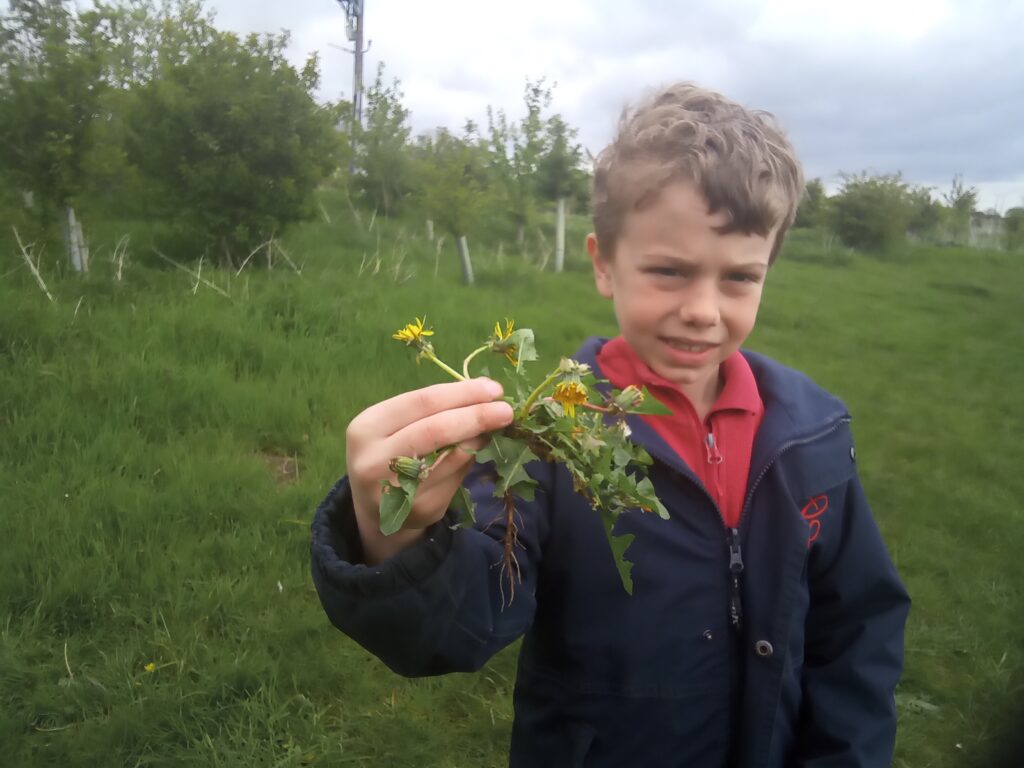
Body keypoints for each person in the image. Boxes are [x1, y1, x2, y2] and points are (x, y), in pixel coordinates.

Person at [310, 82, 910, 767]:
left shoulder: (815, 433)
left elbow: (858, 625)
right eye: (669, 271)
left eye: (739, 279)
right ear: (603, 264)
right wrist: (401, 536)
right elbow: (458, 627)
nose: (703, 310)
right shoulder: (549, 437)